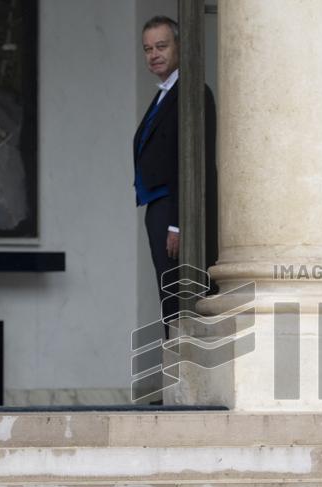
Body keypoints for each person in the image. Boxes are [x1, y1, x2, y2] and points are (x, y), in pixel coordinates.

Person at [134, 15, 217, 335]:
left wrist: (178, 222)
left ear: (179, 47)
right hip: (160, 207)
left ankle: (186, 359)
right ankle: (177, 356)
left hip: (175, 209)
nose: (154, 54)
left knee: (182, 293)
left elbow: (194, 160)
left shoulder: (192, 92)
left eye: (161, 46)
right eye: (148, 49)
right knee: (170, 294)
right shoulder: (167, 93)